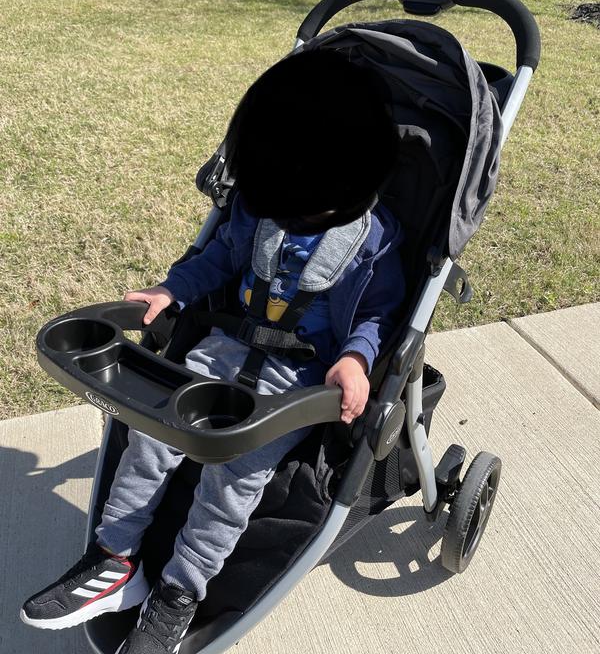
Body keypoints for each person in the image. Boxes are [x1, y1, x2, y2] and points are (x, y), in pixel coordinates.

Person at [21, 49, 405, 654]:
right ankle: (115, 561)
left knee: (233, 479)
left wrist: (356, 358)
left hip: (294, 379)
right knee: (152, 434)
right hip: (225, 347)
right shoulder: (260, 208)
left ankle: (180, 591)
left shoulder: (372, 244)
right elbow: (220, 257)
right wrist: (170, 289)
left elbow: (380, 315)